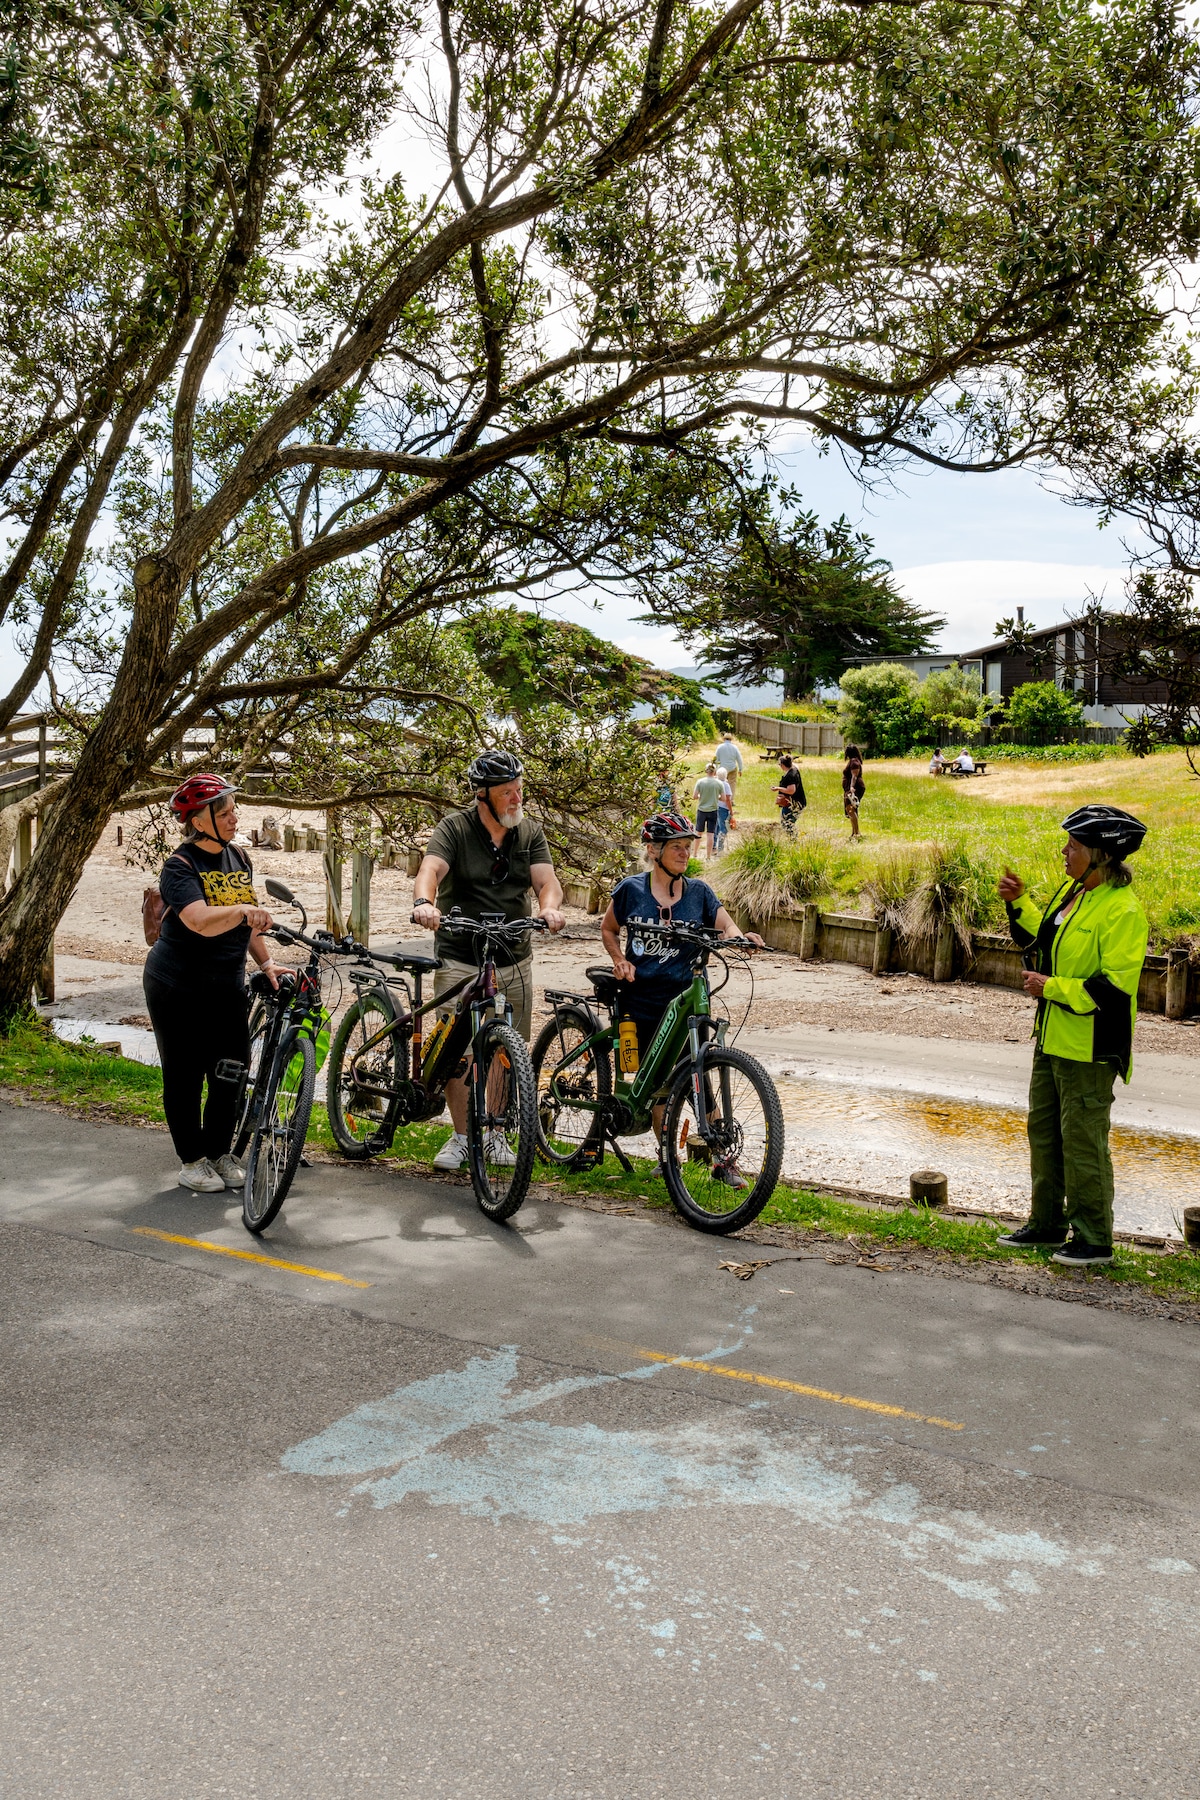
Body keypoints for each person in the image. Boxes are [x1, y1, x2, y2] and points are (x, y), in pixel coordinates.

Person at [996, 804, 1149, 1267]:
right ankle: (1046, 1225)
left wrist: (1052, 987)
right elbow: (1040, 942)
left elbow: (1114, 987)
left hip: (1089, 1048)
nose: (1065, 851)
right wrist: (1018, 901)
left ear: (1101, 855)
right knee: (1043, 1134)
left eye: (1074, 846)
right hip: (1051, 1040)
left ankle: (1094, 1239)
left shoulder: (1123, 911)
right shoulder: (1074, 894)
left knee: (1083, 1142)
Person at [412, 749, 566, 1171]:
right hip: (461, 953)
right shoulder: (455, 829)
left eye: (519, 790)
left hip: (513, 955)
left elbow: (547, 881)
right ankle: (462, 1136)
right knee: (457, 1049)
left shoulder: (530, 832)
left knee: (504, 1049)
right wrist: (425, 902)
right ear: (483, 796)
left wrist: (549, 907)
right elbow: (430, 870)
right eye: (508, 793)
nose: (517, 799)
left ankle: (496, 1132)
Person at [600, 813, 764, 1182]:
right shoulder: (630, 890)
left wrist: (741, 937)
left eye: (687, 847)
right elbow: (609, 928)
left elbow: (725, 924)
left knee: (698, 1079)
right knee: (656, 1086)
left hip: (686, 1002)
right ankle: (667, 1159)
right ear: (653, 850)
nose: (684, 854)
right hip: (641, 999)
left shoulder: (700, 892)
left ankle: (723, 1161)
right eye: (676, 847)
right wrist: (619, 959)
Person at [143, 774, 278, 1193]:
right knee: (184, 1074)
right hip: (176, 985)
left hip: (225, 982)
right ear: (199, 822)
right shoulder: (179, 867)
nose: (234, 817)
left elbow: (247, 922)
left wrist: (268, 963)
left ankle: (220, 1153)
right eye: (223, 812)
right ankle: (192, 1160)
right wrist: (242, 910)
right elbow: (199, 921)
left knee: (232, 1070)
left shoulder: (238, 857)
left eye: (234, 808)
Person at [692, 762, 725, 857]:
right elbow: (723, 798)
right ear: (714, 772)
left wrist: (701, 796)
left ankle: (694, 854)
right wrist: (716, 797)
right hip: (713, 810)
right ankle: (708, 856)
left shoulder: (700, 782)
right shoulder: (719, 783)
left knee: (698, 832)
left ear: (706, 771)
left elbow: (694, 796)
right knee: (710, 834)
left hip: (702, 810)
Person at [774, 754, 806, 834]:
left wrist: (778, 788)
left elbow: (791, 790)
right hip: (797, 802)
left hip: (793, 804)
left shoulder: (790, 776)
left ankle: (793, 840)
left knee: (787, 823)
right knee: (787, 822)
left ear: (782, 765)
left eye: (779, 764)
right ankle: (792, 839)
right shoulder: (794, 769)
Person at [842, 745, 865, 839]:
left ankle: (856, 833)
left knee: (850, 809)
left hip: (854, 788)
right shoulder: (854, 761)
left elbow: (854, 776)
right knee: (852, 809)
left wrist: (851, 787)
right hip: (850, 788)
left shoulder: (854, 762)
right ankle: (854, 832)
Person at [714, 731, 744, 796]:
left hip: (722, 768)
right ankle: (731, 800)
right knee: (732, 784)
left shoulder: (720, 747)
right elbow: (739, 759)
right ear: (731, 739)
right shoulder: (735, 747)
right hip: (732, 768)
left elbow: (716, 759)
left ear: (724, 739)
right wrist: (740, 769)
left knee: (721, 783)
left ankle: (721, 797)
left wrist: (716, 769)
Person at [714, 770, 735, 854]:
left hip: (715, 807)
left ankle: (714, 846)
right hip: (723, 808)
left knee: (716, 827)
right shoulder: (725, 785)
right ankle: (720, 849)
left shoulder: (715, 783)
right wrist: (731, 811)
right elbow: (728, 799)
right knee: (723, 828)